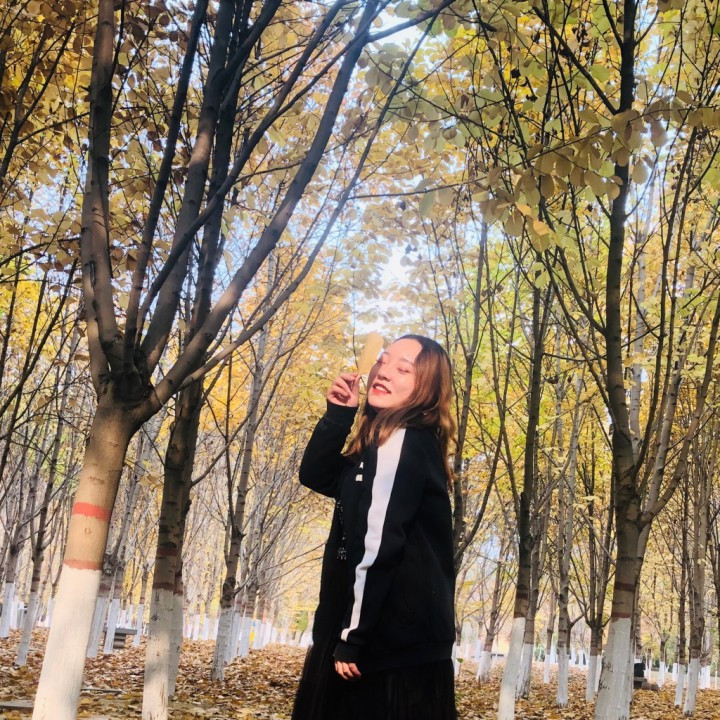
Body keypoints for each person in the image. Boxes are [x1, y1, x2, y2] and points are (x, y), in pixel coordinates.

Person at [291, 334, 457, 720]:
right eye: (383, 361)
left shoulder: (403, 443)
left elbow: (378, 546)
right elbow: (318, 475)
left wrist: (353, 636)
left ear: (427, 389)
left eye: (404, 369)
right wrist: (338, 415)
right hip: (371, 639)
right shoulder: (383, 447)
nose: (384, 372)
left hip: (385, 650)